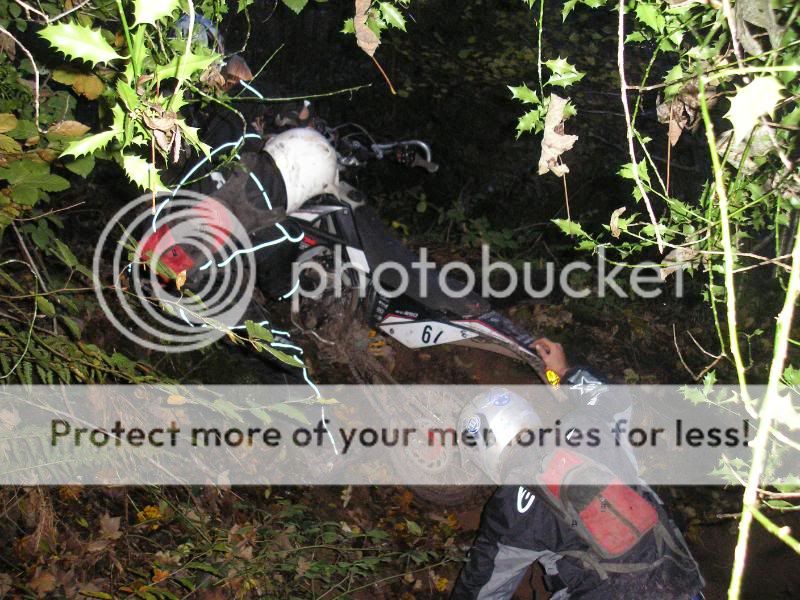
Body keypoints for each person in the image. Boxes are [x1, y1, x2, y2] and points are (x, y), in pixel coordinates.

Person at [452, 338, 704, 600]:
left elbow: (483, 588)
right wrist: (564, 372)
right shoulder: (589, 426)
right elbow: (613, 398)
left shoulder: (510, 508)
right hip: (680, 584)